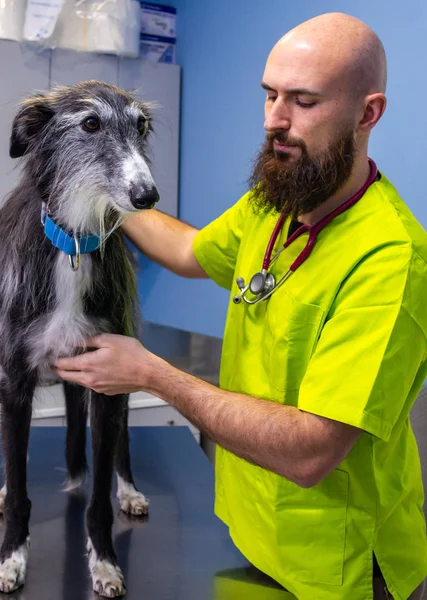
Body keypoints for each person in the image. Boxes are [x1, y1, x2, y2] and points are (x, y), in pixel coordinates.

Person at [54, 12, 427, 600]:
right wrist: (104, 192)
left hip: (337, 565)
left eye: (303, 101)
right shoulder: (278, 198)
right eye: (270, 94)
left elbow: (311, 453)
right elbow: (186, 249)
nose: (276, 121)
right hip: (250, 531)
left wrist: (151, 373)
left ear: (367, 113)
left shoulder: (391, 260)